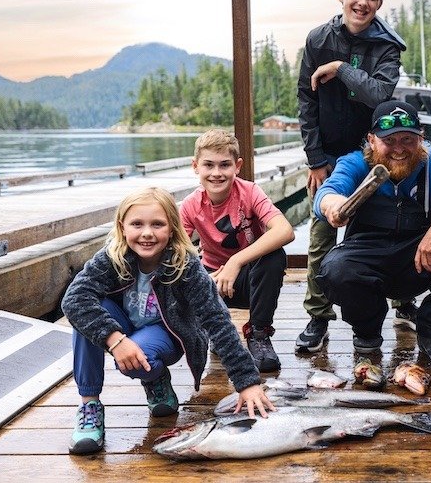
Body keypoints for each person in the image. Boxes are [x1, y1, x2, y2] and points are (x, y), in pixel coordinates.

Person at [62, 187, 275, 455]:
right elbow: (73, 300)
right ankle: (89, 405)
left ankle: (156, 378)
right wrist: (115, 340)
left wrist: (248, 382)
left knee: (134, 362)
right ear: (122, 227)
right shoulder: (111, 258)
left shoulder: (185, 266)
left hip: (167, 334)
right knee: (84, 312)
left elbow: (217, 320)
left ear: (173, 229)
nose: (147, 233)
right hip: (124, 330)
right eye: (137, 224)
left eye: (158, 224)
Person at [314, 100, 431, 367]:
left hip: (420, 261)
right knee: (335, 269)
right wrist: (333, 206)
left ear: (421, 138)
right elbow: (326, 194)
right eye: (389, 140)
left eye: (408, 139)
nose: (399, 149)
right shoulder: (355, 164)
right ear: (371, 140)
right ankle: (367, 330)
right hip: (368, 259)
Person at [296, 0, 408, 353]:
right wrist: (315, 158)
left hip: (374, 152)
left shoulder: (388, 46)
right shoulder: (316, 39)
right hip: (328, 153)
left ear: (379, 4)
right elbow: (306, 101)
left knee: (390, 223)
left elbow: (381, 94)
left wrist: (342, 68)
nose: (362, 3)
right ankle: (317, 316)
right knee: (322, 231)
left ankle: (403, 300)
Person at [180, 129, 295, 373]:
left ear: (237, 166)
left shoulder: (250, 192)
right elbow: (175, 250)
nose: (216, 173)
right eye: (208, 165)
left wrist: (236, 261)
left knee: (274, 256)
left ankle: (259, 333)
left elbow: (285, 230)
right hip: (212, 281)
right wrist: (203, 279)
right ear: (195, 166)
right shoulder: (191, 205)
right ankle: (214, 329)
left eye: (225, 165)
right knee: (185, 271)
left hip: (248, 280)